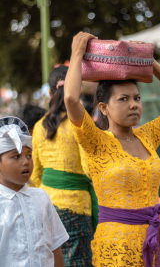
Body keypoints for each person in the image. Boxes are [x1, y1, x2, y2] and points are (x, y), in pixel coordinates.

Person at [64, 31, 160, 267]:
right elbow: (72, 100)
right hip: (116, 249)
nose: (134, 105)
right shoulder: (96, 141)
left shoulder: (148, 135)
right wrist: (76, 54)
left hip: (152, 241)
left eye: (137, 98)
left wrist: (150, 63)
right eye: (123, 99)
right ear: (104, 108)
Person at [30, 65, 97, 267]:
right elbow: (89, 170)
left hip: (46, 205)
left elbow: (35, 175)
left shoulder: (39, 126)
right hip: (76, 207)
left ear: (50, 93)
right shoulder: (80, 124)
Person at [0, 116, 69, 267]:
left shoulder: (41, 198)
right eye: (16, 156)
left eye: (29, 155)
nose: (25, 161)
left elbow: (55, 245)